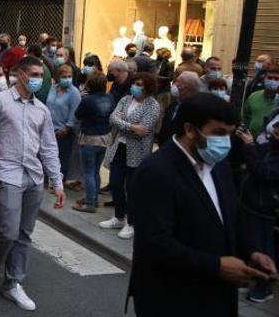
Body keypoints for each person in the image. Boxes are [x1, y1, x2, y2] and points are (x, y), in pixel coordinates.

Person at [129, 93, 277, 317]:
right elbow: (154, 243)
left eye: (229, 133)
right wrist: (216, 266)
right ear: (190, 130)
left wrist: (252, 252)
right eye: (218, 133)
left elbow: (229, 219)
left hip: (215, 299)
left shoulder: (218, 165)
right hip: (172, 300)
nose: (225, 142)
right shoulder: (156, 172)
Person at [0, 56, 65, 311]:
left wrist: (58, 182)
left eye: (40, 75)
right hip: (6, 173)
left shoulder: (41, 109)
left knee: (24, 234)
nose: (37, 80)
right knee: (8, 230)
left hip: (33, 176)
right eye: (33, 74)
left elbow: (49, 148)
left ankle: (13, 283)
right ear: (19, 74)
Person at [99, 72, 161, 240]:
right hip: (119, 147)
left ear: (148, 87)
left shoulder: (152, 105)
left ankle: (132, 222)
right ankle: (119, 216)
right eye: (135, 83)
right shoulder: (125, 100)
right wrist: (131, 126)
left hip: (138, 152)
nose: (136, 87)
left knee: (133, 188)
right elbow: (112, 118)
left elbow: (143, 130)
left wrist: (124, 124)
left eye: (140, 85)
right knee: (115, 183)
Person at [237, 116, 279, 303]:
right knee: (249, 244)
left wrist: (250, 147)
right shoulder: (270, 147)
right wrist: (248, 140)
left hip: (266, 209)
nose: (274, 135)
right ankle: (247, 276)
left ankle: (264, 285)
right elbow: (255, 155)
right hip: (250, 203)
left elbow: (262, 171)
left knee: (264, 248)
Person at [73, 71, 115, 213]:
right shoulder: (110, 98)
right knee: (96, 171)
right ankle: (94, 198)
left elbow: (78, 115)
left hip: (89, 138)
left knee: (88, 172)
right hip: (104, 138)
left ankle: (90, 203)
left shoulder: (87, 100)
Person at [46, 64, 82, 186]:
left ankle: (60, 183)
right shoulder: (53, 88)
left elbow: (75, 113)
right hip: (49, 129)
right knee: (47, 156)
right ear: (57, 77)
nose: (67, 79)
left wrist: (66, 128)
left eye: (69, 76)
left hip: (64, 131)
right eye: (64, 76)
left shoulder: (74, 92)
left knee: (62, 158)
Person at [157, 71, 201, 147]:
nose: (174, 84)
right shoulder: (174, 103)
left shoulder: (194, 109)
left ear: (185, 87)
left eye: (177, 81)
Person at [243, 66, 279, 137]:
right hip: (250, 139)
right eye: (270, 78)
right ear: (264, 79)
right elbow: (245, 117)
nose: (272, 81)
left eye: (276, 79)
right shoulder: (253, 96)